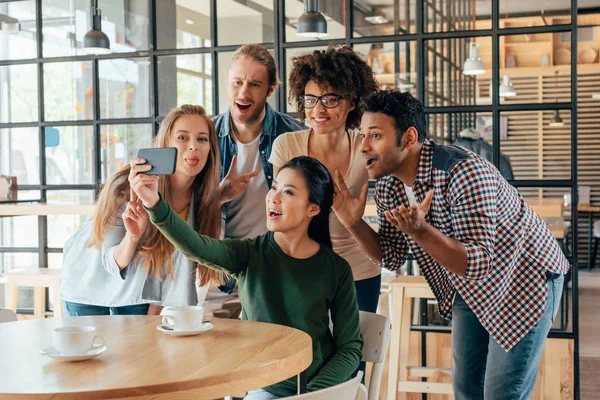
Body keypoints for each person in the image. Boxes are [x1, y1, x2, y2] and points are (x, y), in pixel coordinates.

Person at [332, 90, 569, 400]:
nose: (363, 146)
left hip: (523, 279)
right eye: (363, 135)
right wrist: (353, 223)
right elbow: (390, 255)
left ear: (408, 137)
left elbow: (479, 262)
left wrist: (421, 232)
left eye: (375, 135)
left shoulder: (463, 172)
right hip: (469, 286)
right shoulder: (390, 186)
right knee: (466, 390)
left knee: (501, 393)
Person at [129, 155, 363, 399]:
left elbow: (349, 349)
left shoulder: (336, 269)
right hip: (266, 388)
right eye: (274, 188)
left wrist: (311, 395)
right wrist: (153, 202)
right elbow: (197, 247)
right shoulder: (249, 254)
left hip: (320, 391)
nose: (273, 197)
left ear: (312, 209)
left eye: (289, 192)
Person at [61, 104, 225, 316]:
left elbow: (169, 266)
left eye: (202, 139)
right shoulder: (126, 185)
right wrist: (132, 236)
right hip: (89, 288)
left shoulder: (202, 200)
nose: (193, 146)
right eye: (182, 137)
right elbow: (113, 262)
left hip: (137, 293)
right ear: (165, 143)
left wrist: (154, 312)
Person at [270, 45, 381, 314]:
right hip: (301, 269)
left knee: (355, 354)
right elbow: (279, 216)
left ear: (352, 102)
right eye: (310, 99)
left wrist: (353, 219)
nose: (318, 109)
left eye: (330, 99)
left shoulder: (365, 148)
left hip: (359, 272)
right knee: (305, 354)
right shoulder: (286, 145)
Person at [211, 44, 305, 301]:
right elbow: (183, 206)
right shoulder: (205, 136)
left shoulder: (294, 136)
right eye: (237, 82)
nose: (243, 92)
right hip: (217, 272)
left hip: (275, 271)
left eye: (254, 84)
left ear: (270, 89)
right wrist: (218, 196)